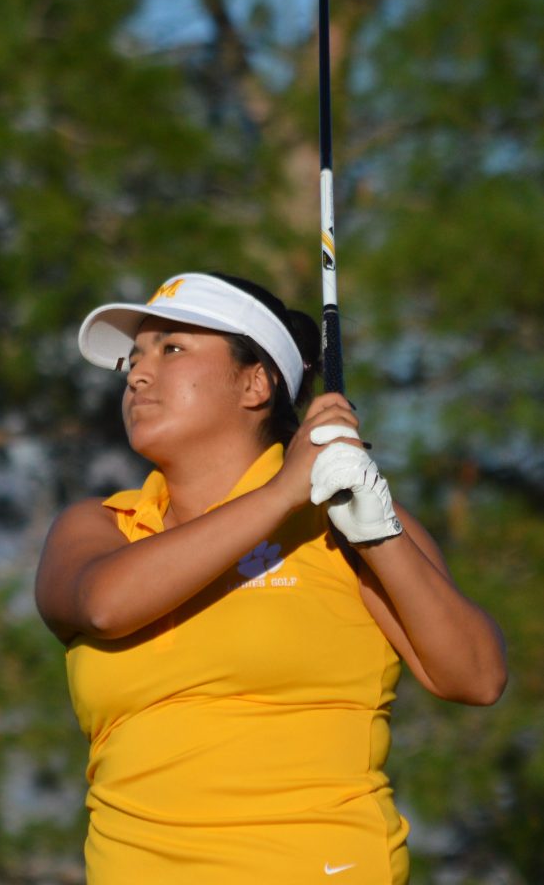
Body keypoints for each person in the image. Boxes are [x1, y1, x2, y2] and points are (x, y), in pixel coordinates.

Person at [35, 271, 507, 885]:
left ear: (255, 382)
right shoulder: (101, 527)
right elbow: (103, 604)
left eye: (171, 348)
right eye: (135, 357)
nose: (138, 375)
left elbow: (476, 676)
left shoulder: (341, 518)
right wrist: (283, 492)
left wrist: (379, 536)